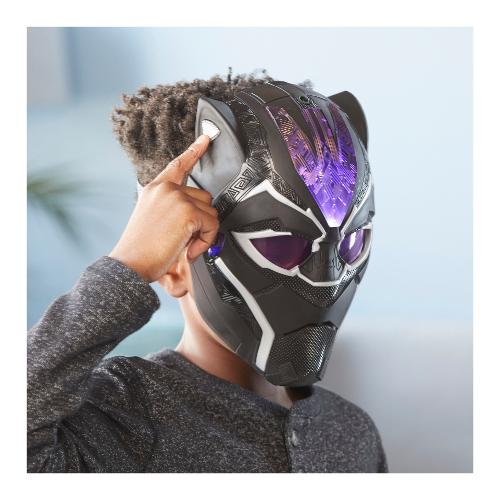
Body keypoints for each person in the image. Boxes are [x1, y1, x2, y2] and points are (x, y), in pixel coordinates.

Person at [27, 71, 387, 473]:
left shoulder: (350, 431)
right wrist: (127, 267)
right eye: (281, 246)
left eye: (352, 243)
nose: (327, 278)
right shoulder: (123, 420)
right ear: (173, 266)